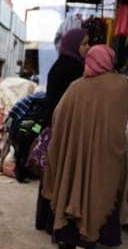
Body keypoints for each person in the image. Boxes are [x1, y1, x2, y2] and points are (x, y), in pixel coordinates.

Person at [41, 45, 128, 249]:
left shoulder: (76, 87)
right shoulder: (121, 86)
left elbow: (58, 116)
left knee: (70, 185)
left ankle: (66, 237)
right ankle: (85, 243)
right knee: (97, 191)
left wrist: (71, 141)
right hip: (102, 156)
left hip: (73, 155)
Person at [34, 28, 89, 234]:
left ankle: (44, 220)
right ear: (74, 46)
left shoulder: (60, 64)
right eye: (84, 44)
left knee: (52, 174)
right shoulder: (74, 69)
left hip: (54, 125)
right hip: (63, 128)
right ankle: (54, 223)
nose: (88, 48)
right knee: (60, 175)